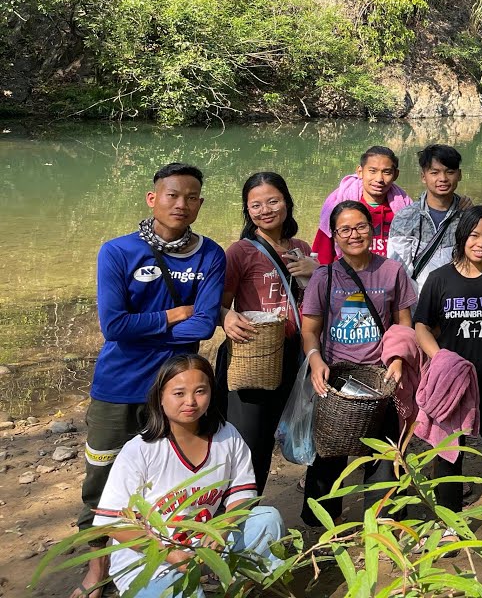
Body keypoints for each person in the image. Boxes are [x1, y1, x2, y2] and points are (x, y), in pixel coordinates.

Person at [76, 163, 225, 598]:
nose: (181, 204)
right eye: (172, 194)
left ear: (199, 203)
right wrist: (170, 315)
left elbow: (202, 328)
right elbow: (114, 327)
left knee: (170, 478)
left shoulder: (210, 254)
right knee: (100, 482)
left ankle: (171, 555)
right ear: (152, 198)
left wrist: (158, 323)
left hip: (179, 389)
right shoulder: (118, 252)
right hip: (119, 386)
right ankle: (97, 567)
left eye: (191, 197)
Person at [91, 355, 284, 598]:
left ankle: (236, 588)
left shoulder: (227, 436)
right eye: (179, 393)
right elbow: (113, 521)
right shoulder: (140, 449)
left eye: (200, 391)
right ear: (160, 397)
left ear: (212, 393)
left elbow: (242, 494)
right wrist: (169, 554)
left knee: (267, 519)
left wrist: (222, 528)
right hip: (150, 557)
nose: (190, 402)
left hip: (204, 544)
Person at [299, 200, 421, 527]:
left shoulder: (392, 272)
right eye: (345, 230)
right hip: (336, 381)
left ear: (372, 228)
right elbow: (309, 331)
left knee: (385, 455)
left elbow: (404, 325)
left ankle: (382, 525)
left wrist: (396, 360)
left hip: (382, 380)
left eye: (361, 227)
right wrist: (315, 361)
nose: (354, 235)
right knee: (328, 457)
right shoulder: (323, 277)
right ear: (335, 236)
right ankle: (326, 525)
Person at [415, 205, 482, 530]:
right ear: (462, 235)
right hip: (454, 388)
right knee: (449, 458)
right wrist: (440, 358)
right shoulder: (439, 280)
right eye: (475, 235)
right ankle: (449, 528)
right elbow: (421, 326)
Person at [219, 172, 318, 492]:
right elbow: (219, 305)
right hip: (254, 355)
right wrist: (226, 317)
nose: (265, 209)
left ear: (287, 202)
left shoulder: (301, 248)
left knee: (303, 431)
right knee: (250, 443)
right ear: (247, 211)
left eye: (273, 201)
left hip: (295, 353)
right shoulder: (240, 252)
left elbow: (321, 300)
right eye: (255, 205)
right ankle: (238, 519)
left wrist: (318, 272)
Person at [388, 144, 473, 295]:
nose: (443, 179)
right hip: (418, 307)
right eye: (434, 172)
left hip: (457, 305)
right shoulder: (405, 218)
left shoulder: (468, 217)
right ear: (423, 176)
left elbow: (478, 264)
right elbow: (398, 271)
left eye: (450, 172)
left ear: (459, 175)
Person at [312, 146, 412, 265]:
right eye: (372, 171)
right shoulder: (338, 206)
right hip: (345, 277)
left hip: (388, 278)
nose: (379, 179)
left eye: (386, 172)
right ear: (360, 172)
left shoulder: (406, 210)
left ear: (395, 175)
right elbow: (322, 257)